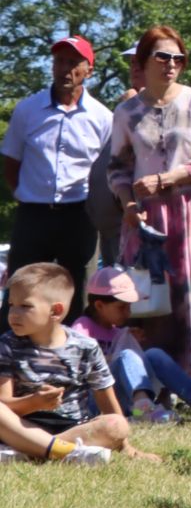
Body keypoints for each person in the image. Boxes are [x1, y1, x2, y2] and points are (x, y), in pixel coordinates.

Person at [107, 26, 191, 384]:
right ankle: (149, 385)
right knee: (148, 297)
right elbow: (118, 169)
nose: (171, 64)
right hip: (146, 217)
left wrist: (165, 179)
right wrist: (128, 204)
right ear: (143, 61)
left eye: (178, 58)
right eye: (162, 56)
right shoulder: (126, 112)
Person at [1, 35, 114, 307]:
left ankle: (74, 348)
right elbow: (10, 161)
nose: (65, 68)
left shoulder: (102, 117)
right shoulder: (28, 110)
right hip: (33, 214)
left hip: (80, 215)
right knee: (21, 289)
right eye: (60, 61)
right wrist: (25, 193)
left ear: (89, 70)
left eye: (74, 62)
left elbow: (107, 172)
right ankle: (10, 348)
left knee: (78, 291)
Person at [0, 263, 148, 460]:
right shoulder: (7, 345)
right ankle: (63, 453)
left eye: (25, 306)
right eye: (11, 305)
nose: (13, 314)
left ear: (56, 311)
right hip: (21, 426)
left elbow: (108, 404)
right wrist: (34, 403)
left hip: (72, 429)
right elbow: (4, 404)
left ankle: (34, 452)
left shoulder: (85, 347)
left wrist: (127, 448)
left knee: (117, 424)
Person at [75, 266, 191, 421]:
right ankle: (144, 408)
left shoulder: (118, 332)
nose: (128, 313)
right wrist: (119, 356)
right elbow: (77, 368)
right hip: (96, 402)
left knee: (154, 354)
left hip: (124, 405)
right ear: (99, 305)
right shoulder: (82, 328)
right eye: (122, 307)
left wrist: (132, 344)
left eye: (129, 307)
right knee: (127, 355)